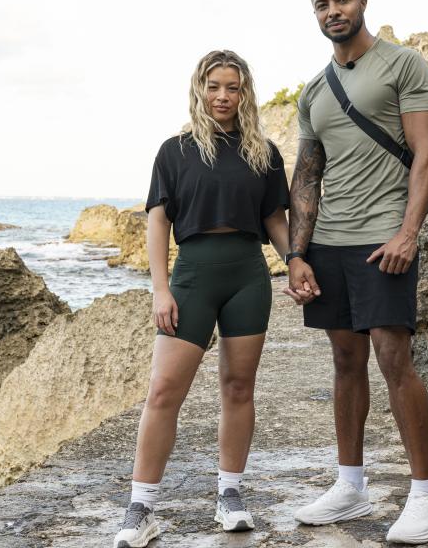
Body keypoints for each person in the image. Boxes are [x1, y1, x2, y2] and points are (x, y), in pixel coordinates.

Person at [284, 0, 428, 544]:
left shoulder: (405, 65)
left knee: (393, 357)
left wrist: (408, 233)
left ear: (362, 2)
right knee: (345, 361)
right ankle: (350, 486)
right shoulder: (313, 91)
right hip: (329, 242)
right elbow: (307, 177)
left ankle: (425, 496)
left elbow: (427, 153)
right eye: (322, 4)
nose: (333, 10)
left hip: (384, 238)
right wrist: (296, 254)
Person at [113, 50, 291, 548]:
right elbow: (158, 222)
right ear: (200, 89)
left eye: (233, 87)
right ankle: (141, 508)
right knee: (163, 391)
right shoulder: (175, 151)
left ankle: (230, 494)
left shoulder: (263, 152)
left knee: (238, 387)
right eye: (214, 86)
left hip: (248, 276)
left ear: (244, 92)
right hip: (191, 276)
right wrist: (160, 288)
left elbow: (274, 219)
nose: (223, 96)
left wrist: (296, 259)